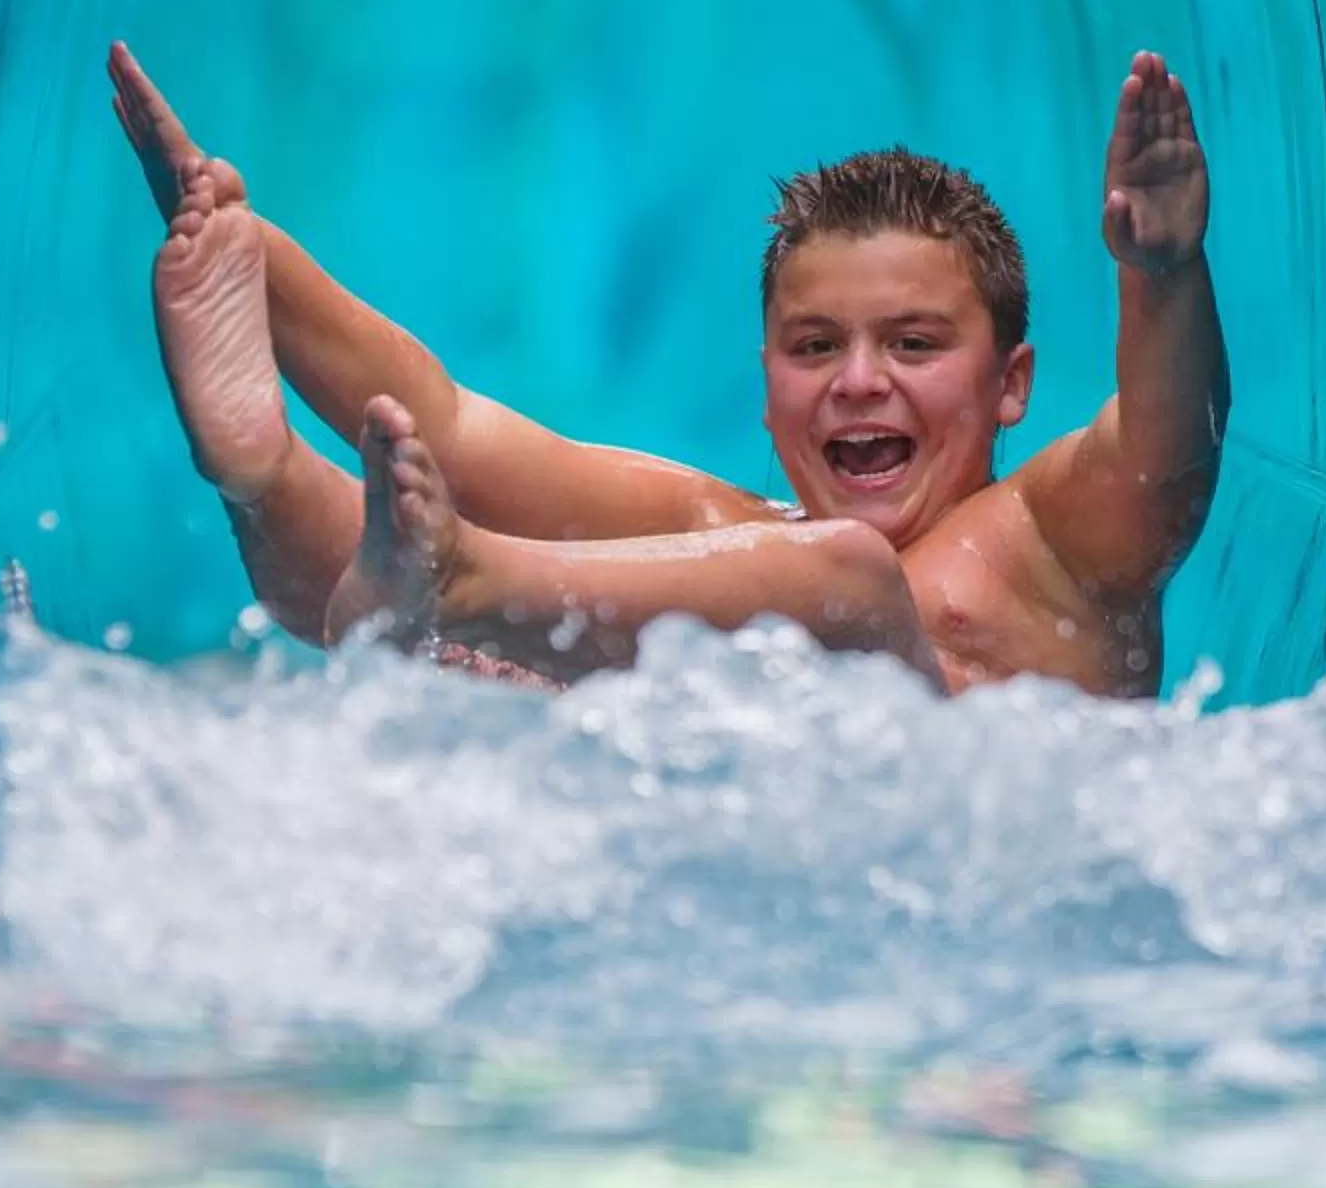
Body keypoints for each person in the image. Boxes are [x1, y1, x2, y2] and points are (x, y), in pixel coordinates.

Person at [109, 41, 1227, 697]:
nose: (856, 380)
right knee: (454, 658)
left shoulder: (1050, 540)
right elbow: (445, 425)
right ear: (766, 381)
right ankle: (260, 476)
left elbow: (1171, 449)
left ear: (1011, 386)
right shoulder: (728, 533)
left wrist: (1163, 273)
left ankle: (463, 580)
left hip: (987, 916)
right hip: (788, 891)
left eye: (914, 344)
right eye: (812, 347)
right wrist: (247, 249)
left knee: (838, 578)